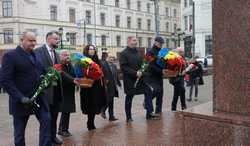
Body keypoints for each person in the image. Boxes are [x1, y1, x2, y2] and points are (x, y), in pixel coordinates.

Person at [0, 31, 51, 146]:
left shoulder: (36, 54)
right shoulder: (10, 56)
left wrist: (48, 79)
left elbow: (41, 73)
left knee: (46, 121)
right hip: (21, 101)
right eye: (30, 40)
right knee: (19, 133)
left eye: (34, 40)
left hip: (39, 99)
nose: (33, 43)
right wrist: (20, 97)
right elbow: (5, 81)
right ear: (21, 40)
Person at [35, 31, 64, 145]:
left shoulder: (56, 54)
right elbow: (37, 69)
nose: (58, 41)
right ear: (49, 39)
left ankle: (53, 136)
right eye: (56, 39)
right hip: (45, 91)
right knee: (46, 119)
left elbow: (57, 70)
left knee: (55, 115)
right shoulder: (38, 52)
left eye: (58, 39)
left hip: (56, 91)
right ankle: (46, 140)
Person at [80, 45, 107, 131]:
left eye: (93, 49)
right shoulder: (83, 60)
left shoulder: (97, 60)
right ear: (87, 50)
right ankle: (89, 122)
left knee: (96, 104)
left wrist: (100, 75)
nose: (92, 50)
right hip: (88, 86)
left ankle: (92, 121)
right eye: (90, 49)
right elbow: (82, 72)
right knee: (89, 104)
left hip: (97, 86)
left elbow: (101, 71)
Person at [119, 36, 145, 122]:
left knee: (148, 91)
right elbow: (124, 67)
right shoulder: (123, 53)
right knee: (129, 98)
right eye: (134, 40)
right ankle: (128, 117)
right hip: (129, 80)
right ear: (129, 41)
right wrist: (135, 73)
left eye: (136, 40)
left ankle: (149, 112)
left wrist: (142, 70)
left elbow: (142, 64)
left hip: (140, 78)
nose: (136, 42)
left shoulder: (138, 52)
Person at [143, 37, 165, 119]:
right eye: (160, 43)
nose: (161, 45)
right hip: (151, 76)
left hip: (159, 76)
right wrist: (161, 71)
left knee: (160, 93)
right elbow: (149, 65)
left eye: (162, 43)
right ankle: (148, 112)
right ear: (155, 42)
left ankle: (158, 111)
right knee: (154, 92)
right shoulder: (150, 52)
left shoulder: (162, 52)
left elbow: (163, 63)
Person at [57, 50, 77, 137]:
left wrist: (77, 79)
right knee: (65, 110)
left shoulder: (70, 65)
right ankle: (62, 129)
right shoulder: (59, 65)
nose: (67, 57)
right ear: (60, 56)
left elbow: (73, 74)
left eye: (68, 55)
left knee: (67, 111)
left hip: (70, 91)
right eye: (65, 55)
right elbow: (62, 75)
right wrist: (73, 80)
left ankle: (65, 129)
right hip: (63, 91)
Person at [101, 55, 121, 121]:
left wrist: (119, 83)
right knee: (108, 100)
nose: (112, 59)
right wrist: (104, 81)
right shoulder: (103, 65)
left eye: (113, 58)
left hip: (113, 86)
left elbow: (116, 76)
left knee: (111, 101)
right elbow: (101, 74)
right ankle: (103, 110)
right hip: (107, 85)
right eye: (110, 57)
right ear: (107, 58)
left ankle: (111, 116)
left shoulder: (114, 66)